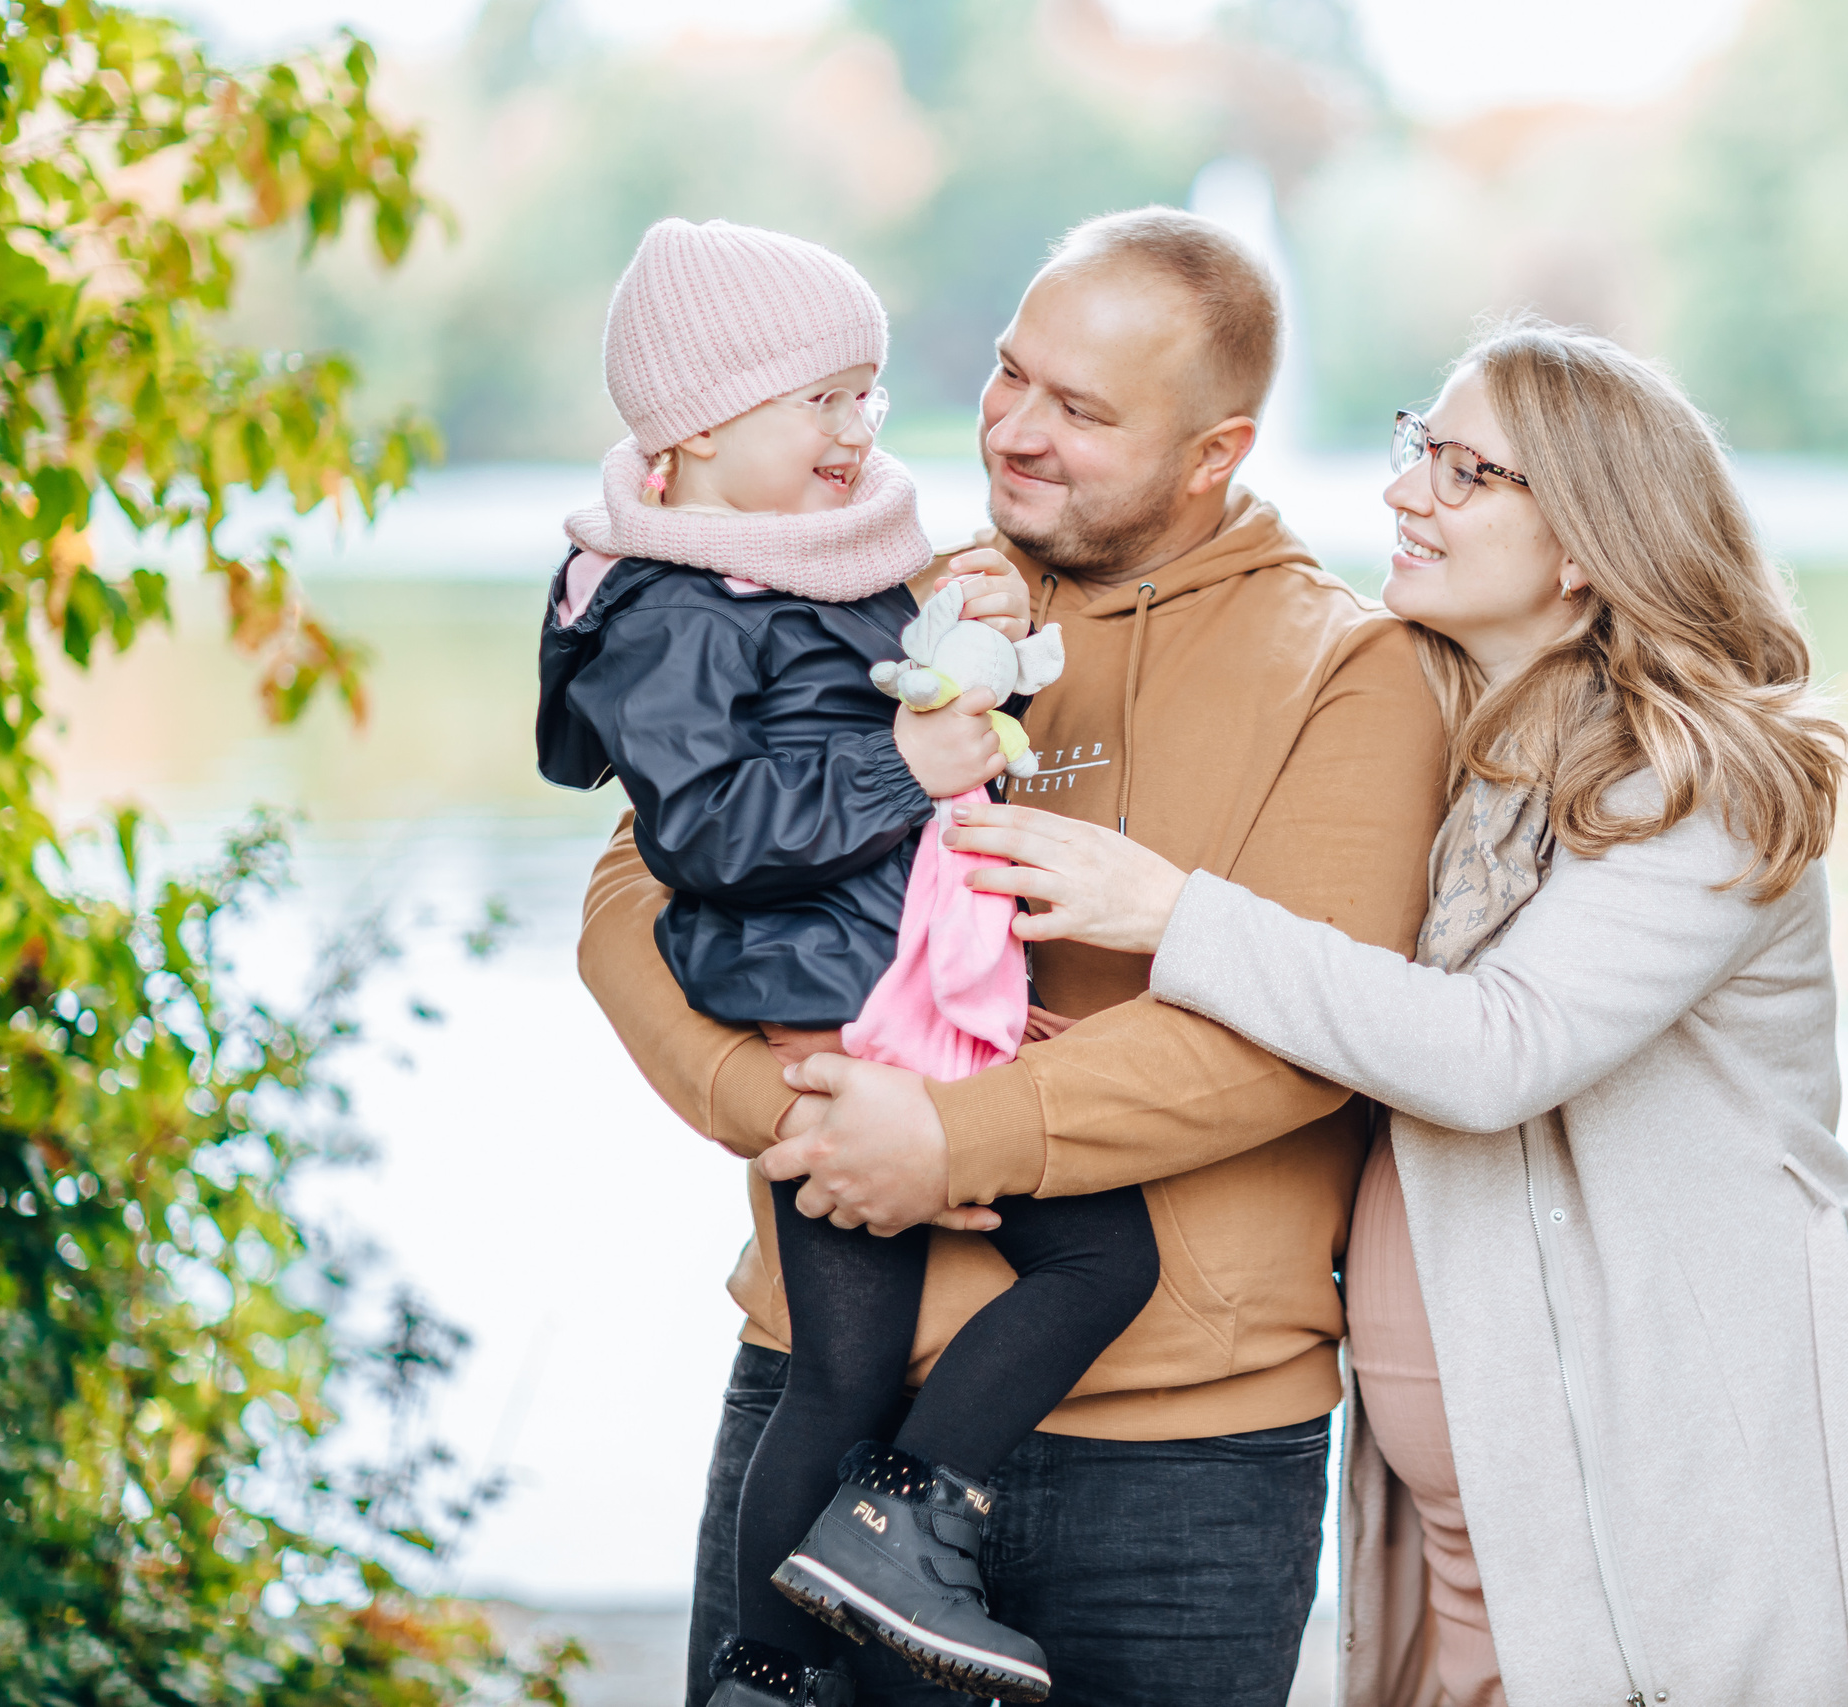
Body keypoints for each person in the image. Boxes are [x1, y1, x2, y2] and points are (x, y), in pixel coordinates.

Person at [944, 317, 1848, 1707]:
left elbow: (1495, 1051)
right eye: (1419, 448)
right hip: (1479, 1500)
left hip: (1672, 1459)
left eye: (1466, 472)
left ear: (1582, 542)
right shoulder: (1458, 741)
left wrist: (1173, 914)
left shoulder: (1695, 785)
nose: (1406, 490)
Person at [574, 207, 1451, 1707]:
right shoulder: (863, 585)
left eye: (1082, 410)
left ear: (1217, 451)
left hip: (1177, 1464)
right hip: (824, 1391)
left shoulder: (1350, 669)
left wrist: (946, 1138)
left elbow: (1299, 1031)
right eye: (1009, 372)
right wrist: (792, 1112)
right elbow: (634, 894)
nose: (1013, 430)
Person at [536, 218, 1162, 1706]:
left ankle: (809, 1627)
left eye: (868, 395)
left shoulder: (805, 560)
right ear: (698, 426)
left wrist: (970, 643)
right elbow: (706, 832)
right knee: (1054, 1278)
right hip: (838, 1007)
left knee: (866, 1359)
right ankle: (882, 1548)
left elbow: (884, 716)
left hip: (892, 981)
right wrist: (903, 761)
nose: (858, 428)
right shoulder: (667, 606)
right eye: (821, 399)